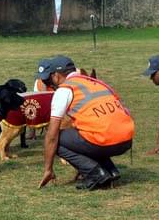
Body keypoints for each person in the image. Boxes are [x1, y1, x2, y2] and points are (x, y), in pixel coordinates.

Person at [37, 55, 135, 191]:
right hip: (126, 140)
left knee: (56, 139)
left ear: (56, 75)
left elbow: (52, 136)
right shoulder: (96, 82)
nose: (49, 85)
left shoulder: (65, 90)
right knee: (87, 133)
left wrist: (48, 169)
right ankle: (110, 170)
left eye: (49, 81)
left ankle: (96, 174)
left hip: (104, 140)